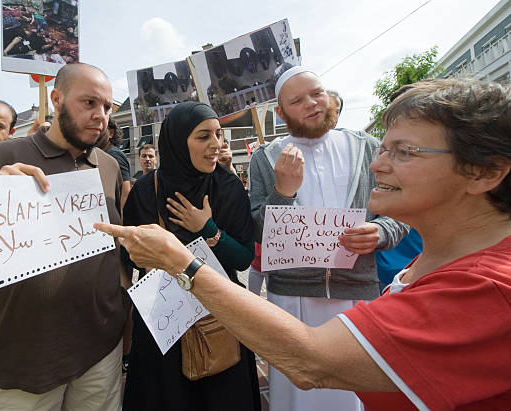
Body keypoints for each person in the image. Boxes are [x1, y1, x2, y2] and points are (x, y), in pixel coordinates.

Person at [97, 77, 511, 410]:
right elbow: (268, 234)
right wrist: (284, 192)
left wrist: (190, 257)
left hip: (342, 296)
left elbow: (312, 360)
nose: (378, 164)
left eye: (404, 152)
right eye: (385, 148)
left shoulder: (486, 291)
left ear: (483, 172)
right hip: (258, 303)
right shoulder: (423, 276)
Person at [0, 62, 131, 410]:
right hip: (25, 363)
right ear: (56, 99)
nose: (101, 115)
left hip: (100, 351)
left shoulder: (108, 166)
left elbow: (112, 254)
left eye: (107, 107)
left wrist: (123, 326)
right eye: (89, 103)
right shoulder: (3, 157)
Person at [249, 66, 408, 410]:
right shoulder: (264, 158)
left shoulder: (368, 148)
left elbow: (403, 211)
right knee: (296, 395)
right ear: (280, 112)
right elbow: (260, 232)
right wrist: (283, 192)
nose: (312, 104)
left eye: (317, 93)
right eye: (297, 100)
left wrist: (381, 232)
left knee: (354, 395)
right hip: (291, 299)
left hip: (356, 295)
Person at [121, 101, 261, 411]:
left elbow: (242, 258)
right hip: (164, 322)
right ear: (177, 140)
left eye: (219, 134)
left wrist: (208, 230)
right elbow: (133, 258)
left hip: (219, 317)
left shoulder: (228, 187)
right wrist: (158, 251)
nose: (216, 145)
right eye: (203, 136)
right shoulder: (145, 192)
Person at [98, 117, 131, 209]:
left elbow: (125, 190)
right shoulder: (100, 154)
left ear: (111, 133)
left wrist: (121, 220)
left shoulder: (114, 155)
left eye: (99, 128)